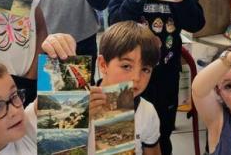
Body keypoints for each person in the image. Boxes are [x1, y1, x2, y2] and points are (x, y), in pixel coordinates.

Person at [108, 0, 205, 154]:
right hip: (130, 72)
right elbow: (114, 23)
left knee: (162, 131)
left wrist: (182, 1)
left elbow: (197, 24)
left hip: (166, 71)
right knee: (124, 128)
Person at [41, 22, 162, 155]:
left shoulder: (147, 112)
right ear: (103, 65)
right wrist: (80, 123)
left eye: (145, 69)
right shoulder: (75, 103)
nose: (136, 77)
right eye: (126, 66)